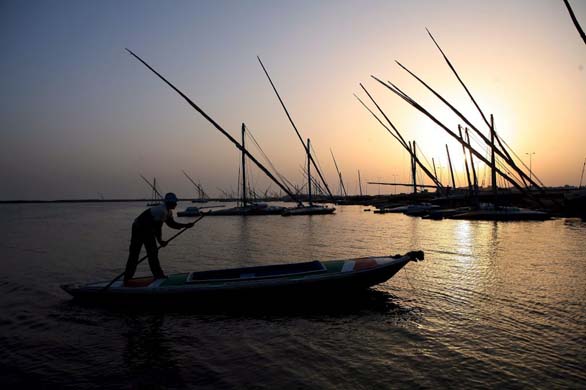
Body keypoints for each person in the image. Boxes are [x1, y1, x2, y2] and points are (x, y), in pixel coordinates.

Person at [124, 192, 194, 283]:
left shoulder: (168, 212)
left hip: (148, 229)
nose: (176, 204)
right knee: (137, 253)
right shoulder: (161, 210)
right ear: (169, 203)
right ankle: (128, 277)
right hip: (139, 228)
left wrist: (185, 225)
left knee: (152, 252)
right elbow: (158, 228)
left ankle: (157, 274)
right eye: (174, 203)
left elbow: (171, 224)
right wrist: (160, 241)